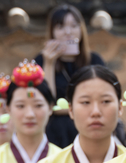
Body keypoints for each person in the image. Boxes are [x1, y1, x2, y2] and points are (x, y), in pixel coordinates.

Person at [35, 4, 105, 148]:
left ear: (81, 30)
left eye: (73, 26)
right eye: (60, 27)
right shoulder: (41, 61)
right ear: (52, 32)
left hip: (90, 125)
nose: (68, 32)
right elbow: (47, 104)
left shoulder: (94, 60)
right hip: (55, 131)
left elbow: (103, 98)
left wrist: (65, 109)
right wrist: (49, 63)